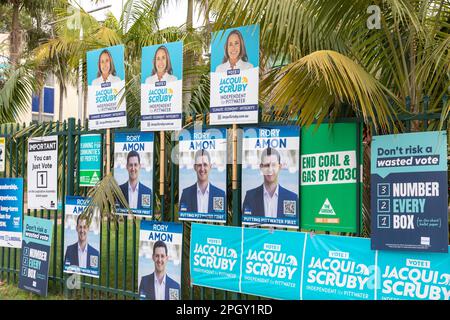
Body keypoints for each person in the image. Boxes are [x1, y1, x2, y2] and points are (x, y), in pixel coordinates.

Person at [242, 147, 298, 218]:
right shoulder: (250, 196)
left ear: (280, 167)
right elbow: (247, 224)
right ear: (261, 167)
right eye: (266, 165)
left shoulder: (292, 198)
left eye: (274, 165)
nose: (270, 169)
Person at [179, 149, 226, 214]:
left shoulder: (220, 194)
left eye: (205, 165)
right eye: (199, 165)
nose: (202, 169)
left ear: (210, 167)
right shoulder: (186, 194)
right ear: (195, 167)